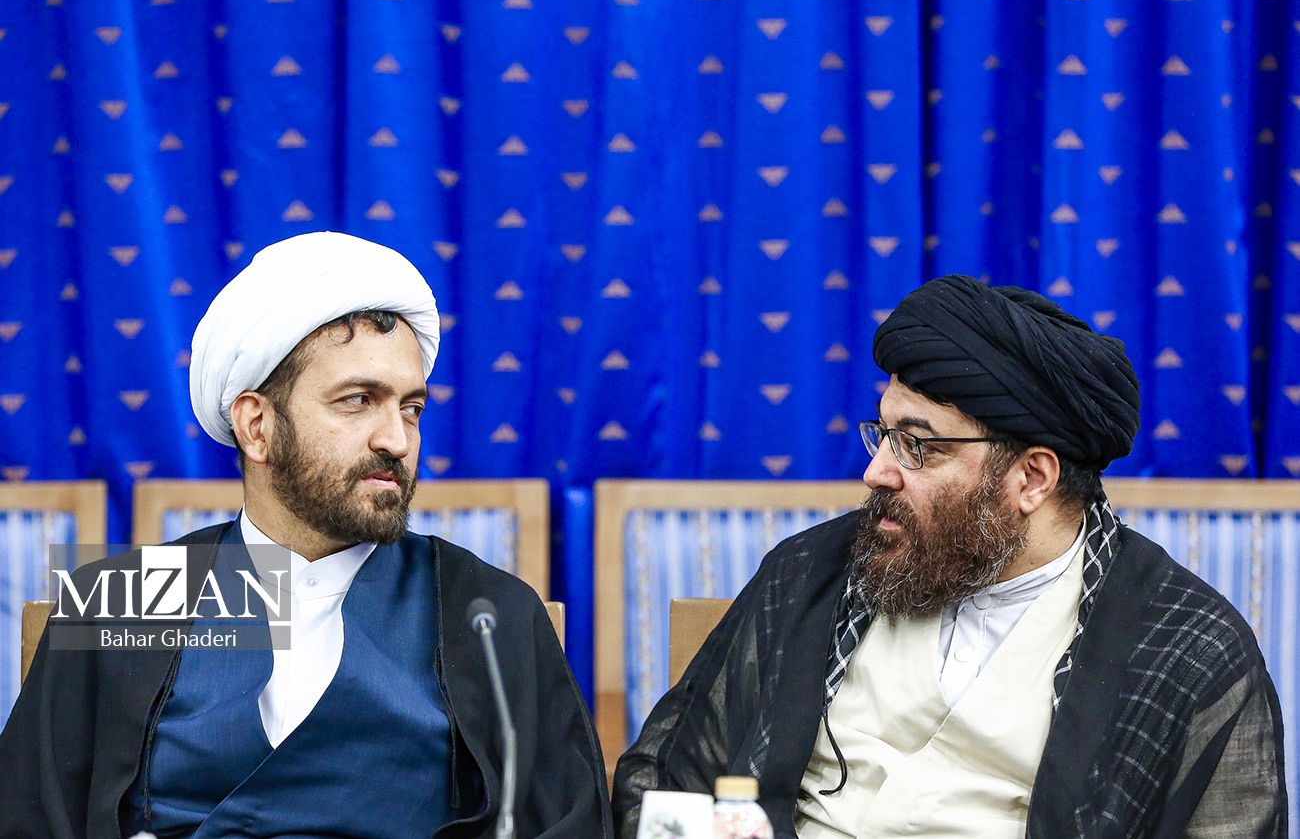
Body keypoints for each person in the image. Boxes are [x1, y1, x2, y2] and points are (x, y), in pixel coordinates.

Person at [613, 275, 1287, 838]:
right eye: (883, 433)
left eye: (919, 445)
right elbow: (664, 780)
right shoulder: (811, 572)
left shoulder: (1184, 648)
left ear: (1032, 478)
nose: (877, 471)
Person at [0, 232, 612, 838]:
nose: (397, 440)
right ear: (257, 426)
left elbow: (568, 824)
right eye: (358, 400)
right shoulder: (123, 600)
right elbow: (29, 818)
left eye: (411, 408)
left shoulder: (488, 611)